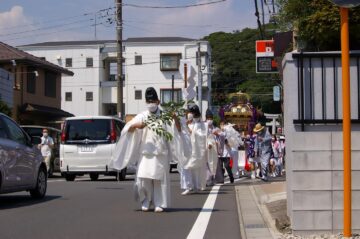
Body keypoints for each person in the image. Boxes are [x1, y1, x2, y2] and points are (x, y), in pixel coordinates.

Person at [113, 87, 183, 212]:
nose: (151, 104)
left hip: (160, 153)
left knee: (158, 179)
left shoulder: (165, 116)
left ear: (158, 101)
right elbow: (127, 129)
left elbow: (178, 130)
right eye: (148, 101)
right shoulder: (142, 116)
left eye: (153, 101)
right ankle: (145, 200)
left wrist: (176, 118)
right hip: (145, 153)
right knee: (143, 178)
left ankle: (159, 203)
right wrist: (135, 126)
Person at [181, 104, 207, 195]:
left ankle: (195, 186)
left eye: (190, 112)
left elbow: (201, 135)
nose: (189, 114)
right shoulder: (191, 123)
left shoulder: (200, 124)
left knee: (194, 169)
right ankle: (189, 186)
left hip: (195, 150)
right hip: (188, 148)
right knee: (187, 167)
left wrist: (189, 129)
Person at [204, 109, 218, 187]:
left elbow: (220, 135)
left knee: (213, 162)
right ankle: (207, 179)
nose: (210, 120)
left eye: (211, 118)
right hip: (207, 146)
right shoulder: (204, 127)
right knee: (207, 163)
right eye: (208, 118)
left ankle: (212, 178)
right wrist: (208, 143)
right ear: (206, 118)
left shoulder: (214, 127)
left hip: (214, 147)